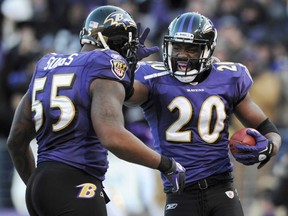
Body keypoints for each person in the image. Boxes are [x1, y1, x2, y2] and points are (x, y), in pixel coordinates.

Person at [6, 5, 185, 216]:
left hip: (40, 185)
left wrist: (40, 185)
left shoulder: (48, 64)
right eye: (126, 46)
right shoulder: (105, 62)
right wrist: (166, 164)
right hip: (77, 182)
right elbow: (112, 136)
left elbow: (16, 140)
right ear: (112, 43)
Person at [125, 12, 282, 216]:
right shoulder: (153, 77)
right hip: (180, 192)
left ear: (207, 50)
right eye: (178, 46)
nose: (182, 54)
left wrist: (270, 147)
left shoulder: (229, 77)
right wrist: (124, 72)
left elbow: (268, 129)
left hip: (222, 187)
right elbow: (128, 96)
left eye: (191, 48)